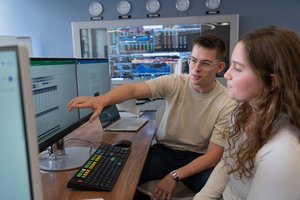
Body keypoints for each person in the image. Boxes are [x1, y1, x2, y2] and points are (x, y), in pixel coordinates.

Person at [68, 34, 237, 200]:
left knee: (220, 193)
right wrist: (102, 100)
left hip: (198, 158)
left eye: (205, 63)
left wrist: (174, 176)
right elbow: (133, 90)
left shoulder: (227, 102)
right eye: (193, 60)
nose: (196, 68)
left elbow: (213, 157)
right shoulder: (175, 82)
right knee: (120, 178)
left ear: (220, 67)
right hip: (164, 152)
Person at [193, 26, 300, 200]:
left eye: (238, 68)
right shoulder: (241, 111)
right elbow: (227, 164)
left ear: (272, 82)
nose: (227, 74)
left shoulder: (283, 152)